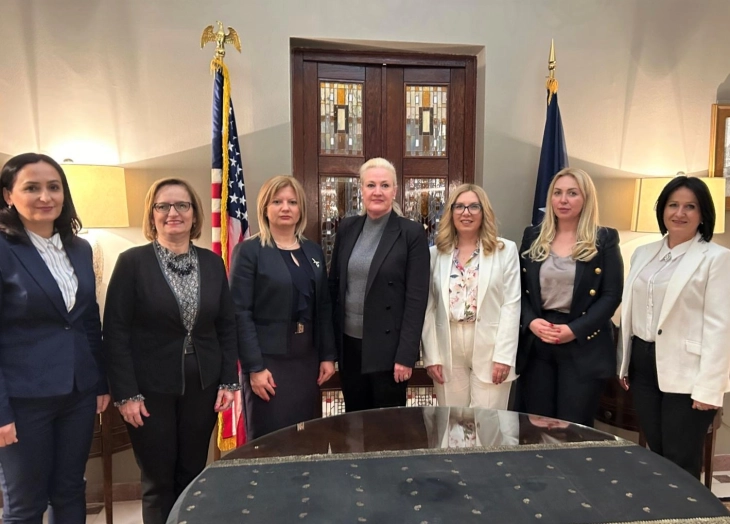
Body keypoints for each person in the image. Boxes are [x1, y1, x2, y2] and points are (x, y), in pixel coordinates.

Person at [103, 178, 238, 524]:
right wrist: (126, 394)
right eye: (163, 206)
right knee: (158, 479)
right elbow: (115, 331)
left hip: (204, 385)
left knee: (192, 473)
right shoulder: (132, 263)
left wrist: (228, 381)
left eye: (182, 205)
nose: (173, 213)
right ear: (152, 215)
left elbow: (226, 324)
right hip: (148, 388)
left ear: (194, 214)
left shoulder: (211, 262)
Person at [0, 153, 109, 523]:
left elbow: (87, 320)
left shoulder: (80, 248)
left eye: (54, 187)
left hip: (77, 393)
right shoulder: (4, 250)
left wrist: (100, 382)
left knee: (70, 490)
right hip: (23, 399)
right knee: (26, 504)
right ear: (8, 196)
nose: (45, 196)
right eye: (32, 187)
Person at [618, 176, 730, 479]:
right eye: (673, 205)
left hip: (688, 372)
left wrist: (711, 387)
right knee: (658, 452)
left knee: (681, 458)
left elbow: (721, 327)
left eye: (690, 206)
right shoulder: (644, 253)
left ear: (703, 213)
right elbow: (632, 312)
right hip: (643, 364)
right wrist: (625, 363)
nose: (680, 213)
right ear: (662, 210)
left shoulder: (717, 259)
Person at [230, 175, 335, 439]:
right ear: (265, 208)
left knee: (307, 441)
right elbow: (240, 313)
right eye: (277, 202)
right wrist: (254, 368)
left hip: (306, 362)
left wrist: (327, 356)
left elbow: (323, 306)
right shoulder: (249, 251)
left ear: (301, 209)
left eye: (292, 202)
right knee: (271, 444)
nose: (285, 208)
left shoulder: (313, 251)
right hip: (269, 365)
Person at [517, 167, 623, 427]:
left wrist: (574, 330)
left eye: (572, 193)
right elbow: (517, 290)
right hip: (538, 342)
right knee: (536, 426)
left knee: (573, 428)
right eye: (558, 193)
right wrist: (530, 321)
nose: (563, 200)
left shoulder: (604, 239)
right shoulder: (533, 236)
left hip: (582, 343)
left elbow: (611, 295)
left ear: (586, 199)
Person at [329, 157, 429, 412]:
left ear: (395, 191)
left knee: (388, 430)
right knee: (353, 420)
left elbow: (416, 300)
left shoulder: (411, 233)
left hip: (389, 351)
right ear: (361, 189)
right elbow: (335, 288)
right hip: (350, 346)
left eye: (385, 185)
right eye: (371, 185)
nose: (377, 192)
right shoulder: (347, 228)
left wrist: (406, 356)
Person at [422, 184, 520, 409]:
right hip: (448, 345)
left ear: (484, 212)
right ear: (451, 213)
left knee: (488, 426)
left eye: (474, 207)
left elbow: (511, 305)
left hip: (490, 345)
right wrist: (432, 355)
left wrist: (504, 356)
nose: (466, 213)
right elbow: (428, 307)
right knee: (453, 423)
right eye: (460, 207)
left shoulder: (505, 250)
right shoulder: (435, 254)